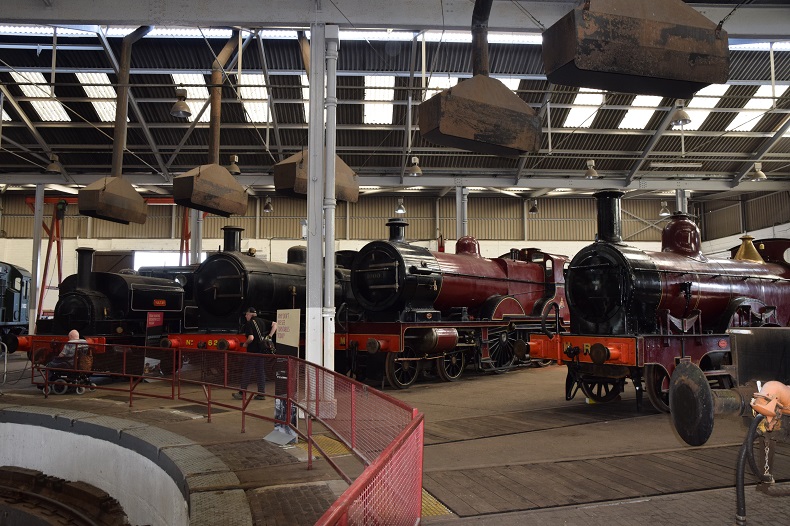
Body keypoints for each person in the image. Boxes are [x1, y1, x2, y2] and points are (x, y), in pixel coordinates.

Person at [232, 307, 277, 400]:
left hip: (252, 352)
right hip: (261, 351)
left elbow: (251, 338)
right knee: (260, 372)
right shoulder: (262, 321)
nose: (245, 316)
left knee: (247, 372)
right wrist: (269, 336)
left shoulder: (250, 323)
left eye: (246, 314)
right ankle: (261, 393)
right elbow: (275, 324)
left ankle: (242, 393)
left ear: (250, 314)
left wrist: (245, 344)